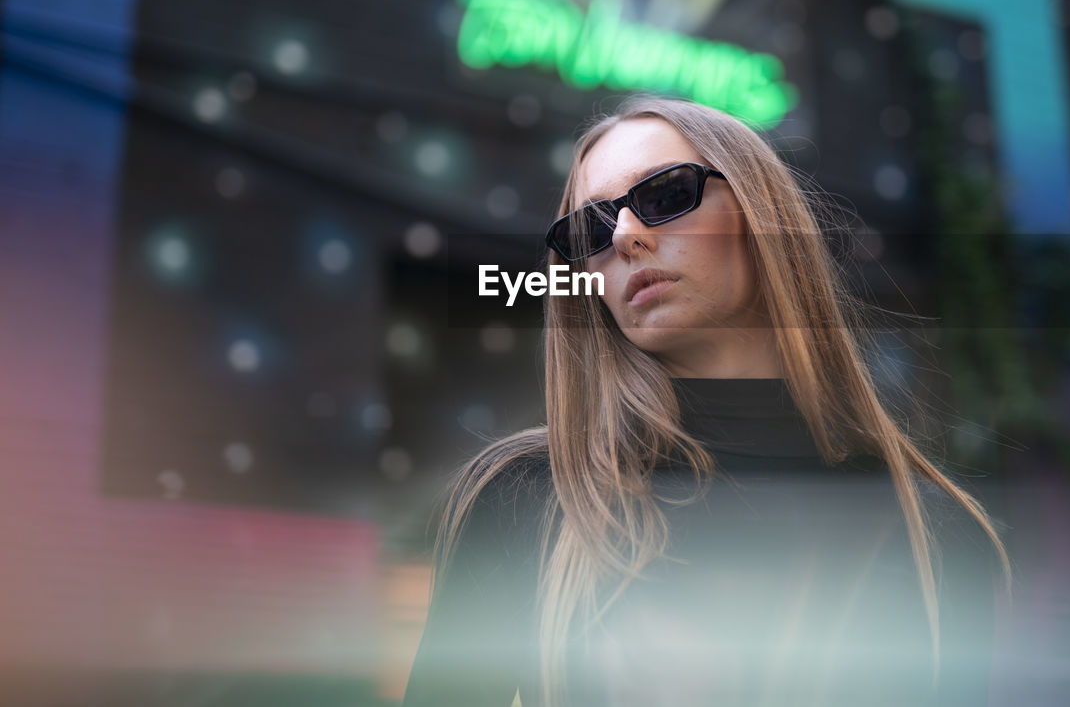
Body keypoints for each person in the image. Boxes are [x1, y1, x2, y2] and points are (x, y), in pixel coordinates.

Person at [402, 96, 1013, 707]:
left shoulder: (936, 532)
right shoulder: (527, 496)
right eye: (591, 230)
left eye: (665, 196)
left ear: (761, 214)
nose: (626, 237)